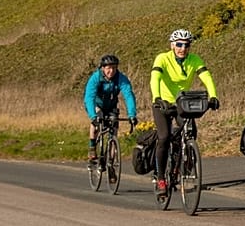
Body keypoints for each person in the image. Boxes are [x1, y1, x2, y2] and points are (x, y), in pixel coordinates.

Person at [149, 28, 219, 198]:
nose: (183, 48)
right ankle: (160, 179)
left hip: (182, 103)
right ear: (172, 45)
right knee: (164, 137)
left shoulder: (194, 59)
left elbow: (206, 77)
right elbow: (155, 78)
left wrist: (213, 96)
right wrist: (157, 97)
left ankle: (181, 164)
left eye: (186, 45)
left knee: (190, 133)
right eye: (179, 45)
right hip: (163, 103)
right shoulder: (162, 58)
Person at [83, 54, 137, 176]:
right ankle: (92, 148)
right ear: (102, 68)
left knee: (114, 131)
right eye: (108, 68)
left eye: (114, 68)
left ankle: (111, 163)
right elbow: (89, 97)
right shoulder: (95, 78)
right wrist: (93, 116)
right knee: (96, 121)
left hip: (111, 106)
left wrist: (132, 114)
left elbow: (128, 95)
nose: (111, 71)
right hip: (95, 104)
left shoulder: (120, 78)